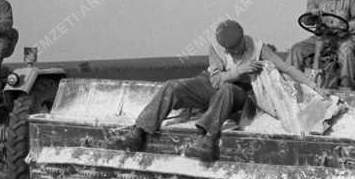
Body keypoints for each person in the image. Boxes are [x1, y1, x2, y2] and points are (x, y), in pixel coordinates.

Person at [119, 19, 324, 162]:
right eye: (227, 49)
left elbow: (286, 68)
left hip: (239, 93)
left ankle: (207, 140)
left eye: (233, 49)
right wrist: (238, 70)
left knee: (227, 90)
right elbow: (215, 80)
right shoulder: (217, 47)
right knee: (171, 86)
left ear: (243, 41)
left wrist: (313, 86)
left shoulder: (259, 48)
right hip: (212, 84)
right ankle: (139, 131)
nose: (229, 52)